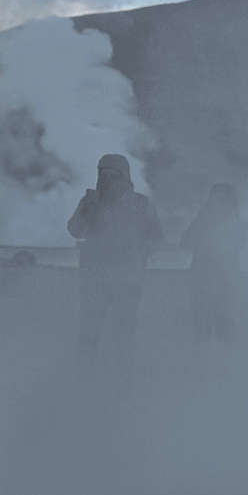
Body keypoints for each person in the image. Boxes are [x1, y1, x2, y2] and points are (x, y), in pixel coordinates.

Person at [67, 153, 164, 370]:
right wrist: (89, 211)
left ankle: (124, 375)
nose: (107, 179)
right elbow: (75, 229)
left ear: (124, 176)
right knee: (90, 328)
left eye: (113, 175)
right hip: (95, 277)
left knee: (124, 330)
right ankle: (84, 374)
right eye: (103, 174)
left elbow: (157, 239)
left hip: (127, 279)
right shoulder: (91, 200)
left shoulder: (140, 204)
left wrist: (135, 249)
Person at [181, 182, 246, 342]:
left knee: (214, 332)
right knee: (212, 332)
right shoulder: (206, 220)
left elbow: (186, 242)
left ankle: (212, 364)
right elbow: (186, 242)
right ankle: (212, 363)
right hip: (212, 284)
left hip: (215, 284)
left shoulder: (233, 224)